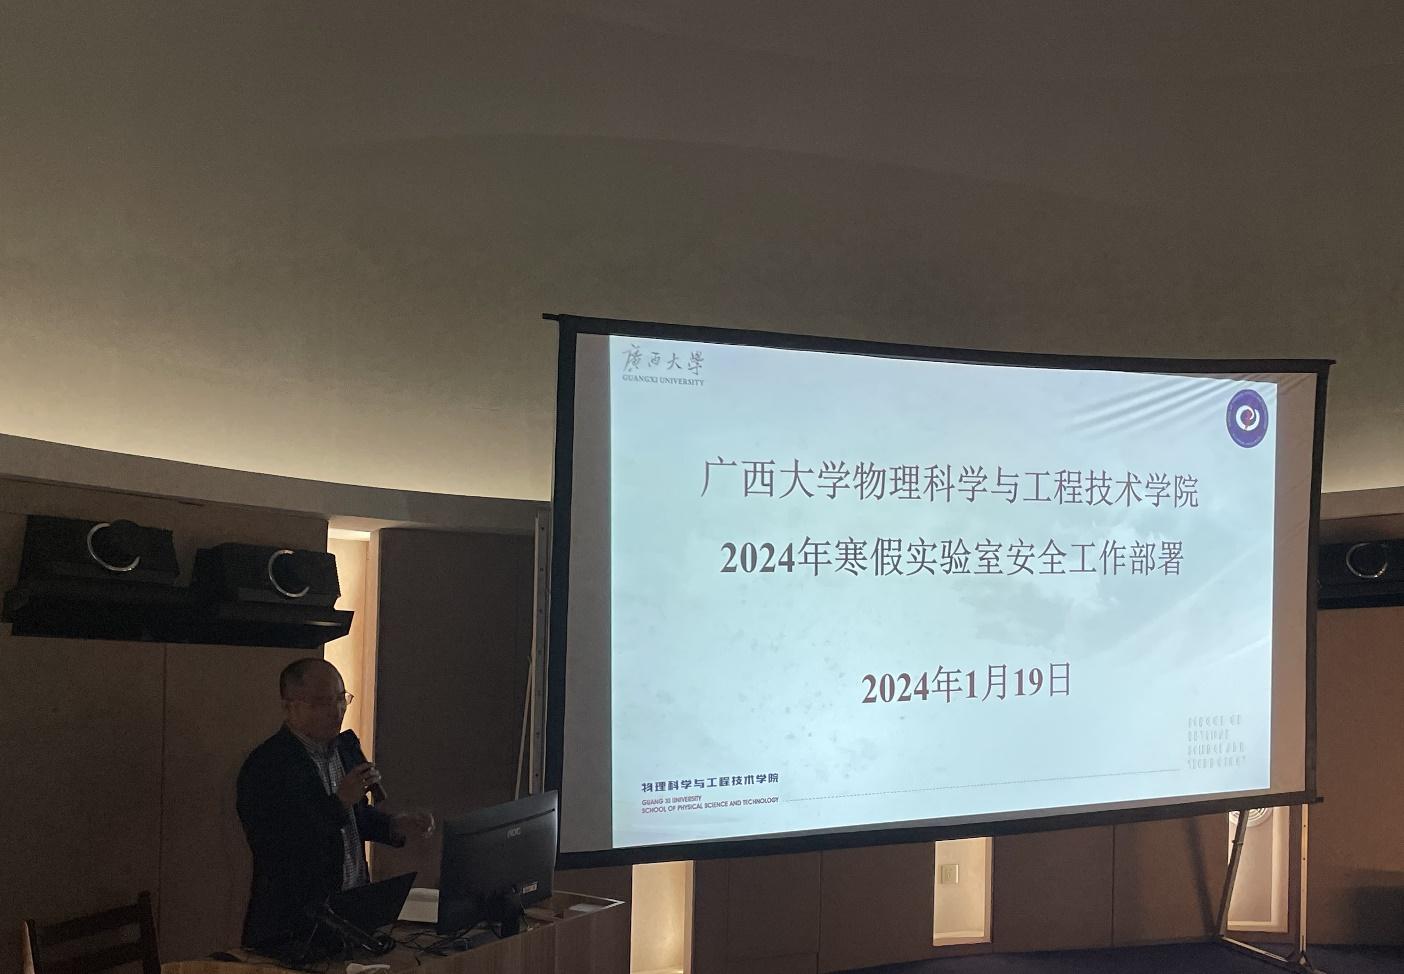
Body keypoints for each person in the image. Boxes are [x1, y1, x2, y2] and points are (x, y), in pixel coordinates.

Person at [236, 658, 433, 952]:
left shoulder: (345, 748)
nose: (336, 710)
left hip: (351, 914)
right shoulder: (267, 766)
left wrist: (393, 825)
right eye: (321, 702)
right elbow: (283, 845)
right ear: (289, 707)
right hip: (295, 926)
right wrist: (339, 802)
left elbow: (355, 819)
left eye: (341, 698)